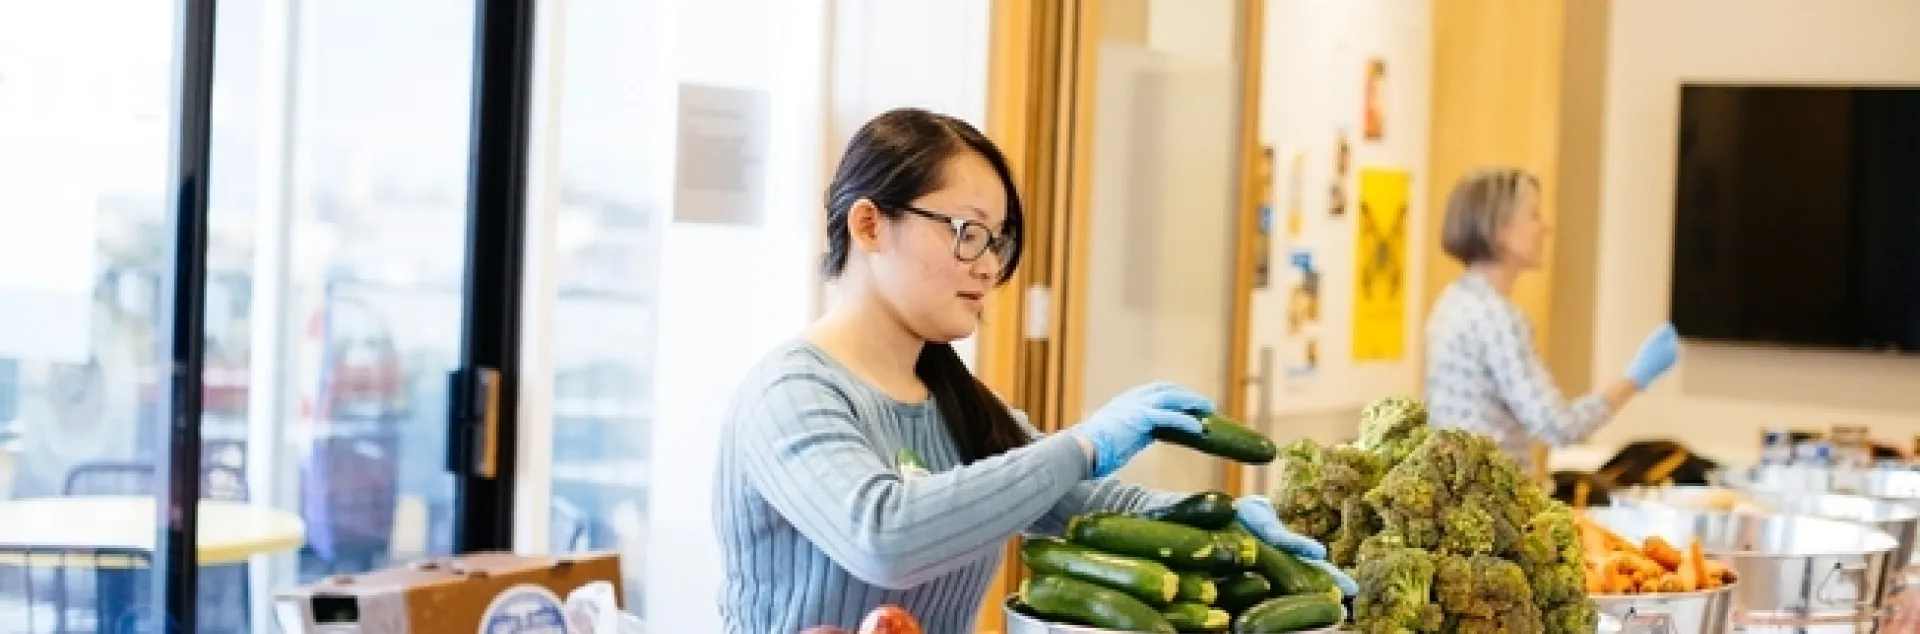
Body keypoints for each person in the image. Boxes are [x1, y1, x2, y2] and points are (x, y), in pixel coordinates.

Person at [712, 108, 1354, 634]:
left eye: (997, 241)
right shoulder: (790, 393)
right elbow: (885, 534)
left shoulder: (955, 402)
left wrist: (1224, 522)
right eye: (966, 232)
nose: (988, 265)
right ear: (870, 224)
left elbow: (1085, 503)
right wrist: (1084, 443)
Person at [1424, 166, 1681, 475]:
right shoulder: (1497, 318)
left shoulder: (1453, 300)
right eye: (1533, 215)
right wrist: (1636, 377)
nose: (1546, 227)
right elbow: (1558, 426)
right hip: (1492, 500)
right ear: (1500, 230)